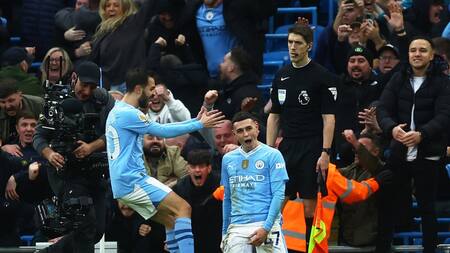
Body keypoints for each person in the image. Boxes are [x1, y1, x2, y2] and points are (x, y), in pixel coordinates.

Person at [105, 67, 224, 253]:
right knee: (184, 208)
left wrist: (196, 120)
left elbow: (164, 127)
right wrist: (199, 124)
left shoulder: (118, 110)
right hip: (133, 180)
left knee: (171, 220)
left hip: (124, 183)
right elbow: (162, 131)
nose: (154, 94)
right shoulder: (128, 113)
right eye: (151, 88)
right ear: (138, 89)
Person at [376, 37, 450, 253]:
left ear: (431, 55)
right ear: (408, 54)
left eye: (422, 50)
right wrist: (392, 129)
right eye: (412, 50)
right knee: (388, 204)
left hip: (429, 153)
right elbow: (383, 109)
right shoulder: (398, 78)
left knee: (428, 209)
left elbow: (445, 115)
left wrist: (422, 135)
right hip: (399, 151)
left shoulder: (443, 82)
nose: (417, 54)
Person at [33, 61, 115, 253]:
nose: (86, 91)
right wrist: (49, 153)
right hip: (65, 171)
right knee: (86, 224)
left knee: (97, 230)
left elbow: (116, 131)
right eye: (83, 85)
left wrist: (92, 147)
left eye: (92, 87)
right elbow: (39, 136)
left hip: (94, 169)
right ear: (74, 78)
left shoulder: (103, 100)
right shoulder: (56, 99)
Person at [266, 23, 337, 246]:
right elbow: (274, 116)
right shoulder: (282, 75)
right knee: (276, 201)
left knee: (309, 206)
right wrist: (268, 151)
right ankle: (270, 247)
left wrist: (325, 152)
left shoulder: (321, 76)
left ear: (309, 46)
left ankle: (308, 249)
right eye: (290, 42)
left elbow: (329, 118)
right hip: (287, 146)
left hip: (312, 146)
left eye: (298, 43)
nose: (292, 47)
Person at [282, 129, 392, 252]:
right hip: (308, 242)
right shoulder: (328, 173)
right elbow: (356, 192)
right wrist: (376, 181)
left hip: (282, 239)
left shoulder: (289, 167)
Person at [221, 111, 289, 252]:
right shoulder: (228, 159)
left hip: (267, 223)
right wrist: (224, 232)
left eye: (249, 128)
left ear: (257, 128)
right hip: (237, 226)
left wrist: (266, 227)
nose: (245, 134)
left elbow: (279, 195)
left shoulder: (273, 155)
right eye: (240, 131)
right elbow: (227, 198)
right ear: (234, 134)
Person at [90, 0, 160, 91]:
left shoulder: (134, 22)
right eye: (108, 6)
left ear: (125, 8)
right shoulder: (101, 32)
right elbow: (93, 60)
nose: (111, 9)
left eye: (116, 5)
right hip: (109, 85)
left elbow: (150, 5)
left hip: (132, 84)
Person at [173, 149, 223, 253]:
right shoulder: (180, 188)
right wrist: (171, 238)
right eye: (193, 167)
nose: (197, 170)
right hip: (192, 237)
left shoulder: (220, 183)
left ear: (209, 168)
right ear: (188, 169)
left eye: (201, 166)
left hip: (217, 235)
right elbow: (171, 214)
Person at [0, 78, 43, 155]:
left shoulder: (39, 105)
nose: (7, 106)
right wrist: (2, 148)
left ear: (20, 95)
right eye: (3, 102)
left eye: (11, 100)